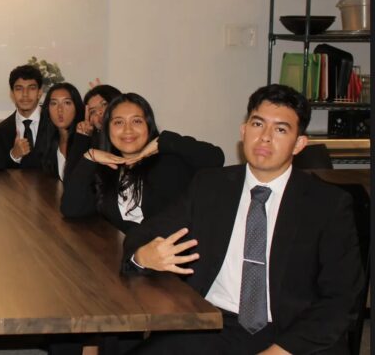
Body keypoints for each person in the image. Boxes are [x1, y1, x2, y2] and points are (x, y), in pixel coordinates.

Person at [123, 84, 363, 355]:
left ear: (299, 144)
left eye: (280, 130)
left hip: (292, 334)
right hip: (216, 325)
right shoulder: (209, 186)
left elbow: (342, 298)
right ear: (243, 130)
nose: (265, 138)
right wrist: (143, 255)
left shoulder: (327, 204)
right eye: (258, 124)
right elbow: (142, 235)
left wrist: (279, 351)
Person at [61, 93, 224, 233]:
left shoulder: (170, 162)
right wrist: (89, 157)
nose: (128, 130)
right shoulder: (107, 170)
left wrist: (163, 141)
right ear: (108, 130)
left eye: (137, 121)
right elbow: (71, 209)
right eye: (118, 122)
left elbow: (215, 158)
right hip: (123, 256)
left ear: (149, 125)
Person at [0, 65, 49, 169]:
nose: (25, 94)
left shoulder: (53, 122)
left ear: (40, 92)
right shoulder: (0, 131)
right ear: (12, 94)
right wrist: (14, 155)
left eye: (31, 88)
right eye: (19, 89)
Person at [39, 82, 84, 181]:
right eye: (54, 103)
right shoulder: (46, 141)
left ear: (77, 107)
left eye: (67, 103)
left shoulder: (85, 141)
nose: (59, 109)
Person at [69, 84, 122, 164]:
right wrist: (82, 137)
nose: (99, 112)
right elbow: (71, 171)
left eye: (104, 104)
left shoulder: (132, 137)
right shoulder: (93, 148)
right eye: (93, 111)